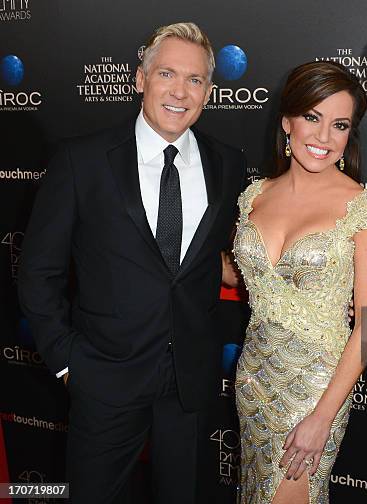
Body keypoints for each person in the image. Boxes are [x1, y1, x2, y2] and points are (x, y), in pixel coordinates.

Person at [18, 22, 245, 503]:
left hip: (189, 382)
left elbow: (218, 258)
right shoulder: (82, 160)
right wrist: (66, 362)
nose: (180, 92)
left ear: (209, 89)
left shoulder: (227, 162)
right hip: (103, 376)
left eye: (196, 80)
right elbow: (39, 272)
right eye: (167, 74)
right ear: (140, 79)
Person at [232, 61, 367, 504]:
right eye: (312, 117)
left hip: (315, 389)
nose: (324, 137)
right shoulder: (256, 195)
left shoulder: (366, 213)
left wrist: (322, 417)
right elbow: (247, 275)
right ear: (287, 121)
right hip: (253, 378)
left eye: (339, 124)